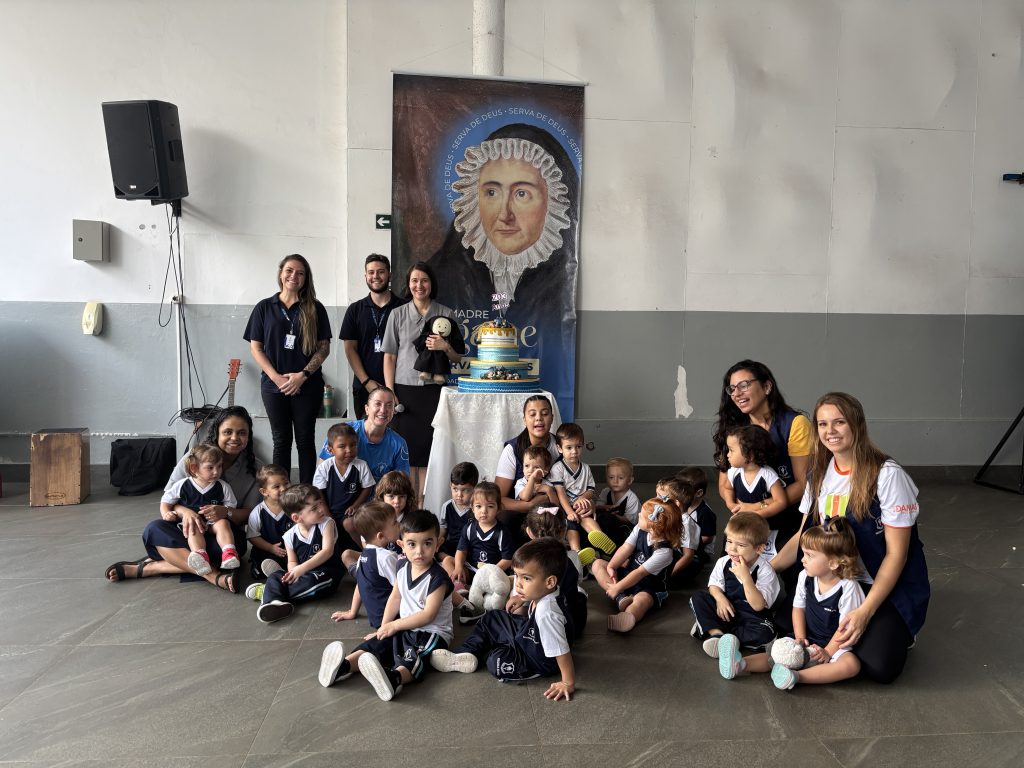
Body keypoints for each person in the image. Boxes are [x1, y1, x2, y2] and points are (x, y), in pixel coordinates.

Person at [773, 392, 930, 684]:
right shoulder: (818, 473)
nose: (830, 431)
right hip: (837, 581)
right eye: (822, 424)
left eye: (839, 422)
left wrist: (864, 612)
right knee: (783, 623)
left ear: (856, 423)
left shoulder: (887, 474)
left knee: (880, 666)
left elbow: (897, 555)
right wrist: (764, 570)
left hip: (881, 586)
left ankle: (897, 630)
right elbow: (802, 537)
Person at [427, 124, 580, 418]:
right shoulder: (440, 274)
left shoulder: (562, 278)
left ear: (554, 202)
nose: (504, 214)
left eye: (522, 193)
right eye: (492, 192)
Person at [107, 406, 261, 592]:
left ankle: (156, 566)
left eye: (242, 433)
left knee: (234, 548)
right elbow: (169, 498)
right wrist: (185, 512)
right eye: (227, 432)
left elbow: (252, 514)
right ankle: (213, 576)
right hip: (186, 529)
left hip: (220, 533)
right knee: (154, 530)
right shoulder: (194, 457)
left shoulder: (256, 469)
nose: (234, 438)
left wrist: (225, 512)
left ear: (249, 436)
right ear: (217, 433)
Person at [317, 509, 454, 702]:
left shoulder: (438, 578)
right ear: (401, 545)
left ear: (438, 543)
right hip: (405, 627)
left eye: (427, 543)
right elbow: (395, 597)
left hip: (432, 632)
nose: (419, 551)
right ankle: (343, 666)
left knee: (414, 655)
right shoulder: (402, 566)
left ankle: (394, 678)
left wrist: (394, 625)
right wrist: (384, 627)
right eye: (412, 544)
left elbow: (428, 615)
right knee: (378, 643)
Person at [430, 538, 577, 701]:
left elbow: (561, 651)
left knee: (495, 661)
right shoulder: (547, 592)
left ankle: (488, 648)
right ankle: (465, 653)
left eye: (526, 578)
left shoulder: (547, 613)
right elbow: (541, 597)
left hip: (537, 659)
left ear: (550, 581)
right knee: (492, 617)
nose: (518, 584)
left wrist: (567, 682)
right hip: (529, 634)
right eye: (517, 575)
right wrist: (523, 599)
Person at [722, 519, 864, 688]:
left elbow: (845, 629)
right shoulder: (805, 576)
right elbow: (798, 609)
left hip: (833, 644)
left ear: (833, 563)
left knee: (851, 664)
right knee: (778, 652)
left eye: (810, 555)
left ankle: (796, 676)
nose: (803, 560)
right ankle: (740, 664)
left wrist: (827, 651)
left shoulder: (848, 588)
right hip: (806, 637)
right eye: (803, 553)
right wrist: (800, 638)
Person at [245, 254, 332, 483]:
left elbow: (324, 348)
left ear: (306, 278)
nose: (294, 276)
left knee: (305, 440)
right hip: (274, 387)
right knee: (281, 441)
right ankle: (280, 492)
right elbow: (256, 348)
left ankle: (307, 492)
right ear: (281, 273)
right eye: (290, 270)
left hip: (308, 386)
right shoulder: (264, 307)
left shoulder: (315, 308)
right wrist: (277, 378)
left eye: (300, 273)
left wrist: (302, 376)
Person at [382, 260, 462, 504]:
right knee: (407, 453)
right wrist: (390, 391)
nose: (419, 285)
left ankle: (425, 504)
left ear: (431, 284)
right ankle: (407, 504)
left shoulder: (446, 314)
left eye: (424, 280)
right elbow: (389, 356)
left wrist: (445, 346)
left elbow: (457, 357)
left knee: (429, 451)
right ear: (408, 284)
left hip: (434, 393)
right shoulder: (397, 314)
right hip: (403, 393)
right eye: (414, 281)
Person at [713, 360, 813, 546]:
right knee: (733, 563)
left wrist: (758, 507)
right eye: (732, 388)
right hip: (746, 522)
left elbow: (803, 484)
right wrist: (737, 507)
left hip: (789, 518)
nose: (736, 393)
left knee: (788, 563)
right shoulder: (733, 429)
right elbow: (724, 484)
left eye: (744, 385)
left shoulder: (794, 424)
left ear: (767, 387)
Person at [690, 512, 780, 660]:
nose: (732, 549)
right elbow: (714, 585)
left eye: (741, 545)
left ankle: (711, 630)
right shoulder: (724, 562)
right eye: (729, 541)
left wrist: (746, 577)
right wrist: (720, 599)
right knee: (699, 597)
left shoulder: (765, 571)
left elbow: (758, 606)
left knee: (766, 633)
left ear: (759, 549)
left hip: (752, 618)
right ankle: (716, 634)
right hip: (726, 611)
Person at [251, 484, 341, 623]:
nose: (321, 509)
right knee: (276, 575)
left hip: (326, 573)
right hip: (303, 573)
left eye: (320, 503)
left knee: (312, 583)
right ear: (296, 518)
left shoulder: (326, 523)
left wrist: (300, 569)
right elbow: (292, 561)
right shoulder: (289, 536)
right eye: (314, 508)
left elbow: (327, 551)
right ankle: (275, 600)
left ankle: (269, 593)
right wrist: (293, 573)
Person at [592, 497, 683, 633]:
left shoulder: (664, 552)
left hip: (649, 587)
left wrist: (618, 586)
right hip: (628, 574)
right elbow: (625, 548)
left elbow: (640, 573)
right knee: (598, 564)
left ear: (653, 525)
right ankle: (620, 598)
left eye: (642, 515)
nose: (639, 514)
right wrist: (612, 566)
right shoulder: (639, 529)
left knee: (642, 600)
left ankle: (627, 617)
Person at [339, 254, 407, 418]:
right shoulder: (355, 310)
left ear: (390, 275)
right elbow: (350, 349)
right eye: (371, 272)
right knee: (367, 432)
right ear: (365, 276)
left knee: (397, 433)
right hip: (364, 387)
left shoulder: (404, 307)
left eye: (381, 272)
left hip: (400, 386)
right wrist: (366, 382)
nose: (375, 276)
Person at [159, 443, 240, 575]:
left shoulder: (222, 486)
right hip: (192, 524)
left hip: (213, 523)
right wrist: (166, 513)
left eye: (219, 466)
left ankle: (229, 553)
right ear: (194, 468)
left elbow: (231, 506)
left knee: (223, 523)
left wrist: (223, 510)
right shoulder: (183, 485)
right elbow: (166, 501)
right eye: (210, 467)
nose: (216, 472)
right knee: (193, 527)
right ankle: (201, 557)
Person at [495, 394, 560, 538]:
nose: (539, 418)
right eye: (532, 414)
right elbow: (497, 498)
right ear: (524, 419)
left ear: (552, 417)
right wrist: (529, 505)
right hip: (521, 514)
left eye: (545, 413)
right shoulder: (512, 449)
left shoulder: (561, 447)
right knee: (505, 520)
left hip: (555, 510)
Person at [520, 506, 588, 638]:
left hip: (539, 625)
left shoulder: (525, 560)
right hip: (574, 626)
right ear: (563, 531)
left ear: (529, 532)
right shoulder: (572, 557)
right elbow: (578, 580)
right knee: (580, 593)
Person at [318, 386, 411, 483]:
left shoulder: (399, 444)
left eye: (389, 405)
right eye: (378, 404)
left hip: (381, 493)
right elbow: (322, 472)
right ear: (367, 409)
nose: (383, 410)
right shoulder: (342, 432)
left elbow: (401, 483)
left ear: (393, 411)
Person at [330, 502, 402, 626]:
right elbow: (401, 589)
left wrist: (352, 612)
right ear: (381, 536)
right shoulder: (386, 557)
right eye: (395, 522)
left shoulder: (364, 555)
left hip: (376, 619)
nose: (399, 524)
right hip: (392, 619)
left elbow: (361, 584)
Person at [724, 425, 789, 558]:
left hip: (766, 527)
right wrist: (731, 504)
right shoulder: (734, 472)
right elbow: (727, 488)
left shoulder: (767, 475)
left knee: (762, 557)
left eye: (731, 450)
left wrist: (757, 514)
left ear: (750, 455)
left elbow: (781, 501)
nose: (727, 455)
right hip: (741, 526)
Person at [312, 423, 374, 549]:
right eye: (342, 446)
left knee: (349, 523)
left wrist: (356, 505)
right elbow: (318, 493)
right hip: (328, 511)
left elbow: (368, 487)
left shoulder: (361, 465)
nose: (349, 450)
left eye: (353, 445)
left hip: (352, 512)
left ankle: (366, 551)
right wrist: (327, 514)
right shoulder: (324, 467)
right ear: (330, 450)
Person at [548, 422, 604, 554]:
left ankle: (601, 540)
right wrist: (569, 512)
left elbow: (591, 490)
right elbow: (560, 493)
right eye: (569, 447)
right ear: (559, 448)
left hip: (581, 504)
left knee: (587, 518)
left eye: (578, 447)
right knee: (571, 525)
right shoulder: (558, 468)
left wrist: (583, 498)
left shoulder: (586, 468)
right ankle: (577, 551)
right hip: (565, 507)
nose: (574, 451)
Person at [245, 464, 293, 581]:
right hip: (267, 549)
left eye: (286, 483)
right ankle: (277, 572)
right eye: (277, 486)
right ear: (264, 491)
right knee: (262, 561)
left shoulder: (293, 507)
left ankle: (288, 570)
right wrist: (270, 548)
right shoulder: (258, 512)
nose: (284, 489)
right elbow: (252, 537)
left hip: (290, 550)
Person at [437, 462, 479, 577]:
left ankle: (457, 579)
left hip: (468, 552)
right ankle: (454, 571)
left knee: (449, 562)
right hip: (450, 549)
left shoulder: (477, 509)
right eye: (455, 489)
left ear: (474, 488)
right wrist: (437, 541)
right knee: (437, 553)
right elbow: (443, 529)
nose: (459, 495)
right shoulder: (447, 506)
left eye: (465, 490)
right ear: (450, 486)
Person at [594, 457, 640, 547]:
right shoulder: (606, 492)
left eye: (620, 478)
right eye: (611, 477)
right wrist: (606, 507)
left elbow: (631, 520)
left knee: (608, 520)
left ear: (630, 480)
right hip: (606, 523)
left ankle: (611, 545)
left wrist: (614, 516)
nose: (615, 481)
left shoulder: (631, 498)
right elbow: (598, 506)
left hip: (624, 528)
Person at [677, 466, 717, 566]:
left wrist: (687, 543)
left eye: (684, 491)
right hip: (684, 543)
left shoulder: (705, 513)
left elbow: (708, 538)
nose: (678, 494)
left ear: (698, 493)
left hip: (701, 551)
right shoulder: (681, 505)